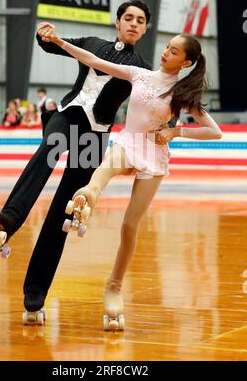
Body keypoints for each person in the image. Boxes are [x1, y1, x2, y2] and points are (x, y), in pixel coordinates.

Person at [0, 0, 153, 322]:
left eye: (140, 20)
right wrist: (44, 34)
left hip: (95, 134)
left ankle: (34, 296)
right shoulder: (92, 44)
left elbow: (152, 105)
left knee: (65, 207)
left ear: (144, 29)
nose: (133, 23)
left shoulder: (142, 70)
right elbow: (52, 46)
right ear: (118, 22)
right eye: (128, 17)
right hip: (68, 115)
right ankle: (6, 220)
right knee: (48, 150)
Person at [43, 27, 222, 329]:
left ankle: (114, 286)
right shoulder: (139, 74)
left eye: (174, 51)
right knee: (104, 169)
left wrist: (177, 131)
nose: (166, 52)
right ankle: (87, 196)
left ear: (186, 63)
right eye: (167, 47)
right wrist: (60, 42)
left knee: (129, 226)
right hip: (128, 142)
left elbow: (215, 131)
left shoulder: (182, 93)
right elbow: (93, 60)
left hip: (154, 153)